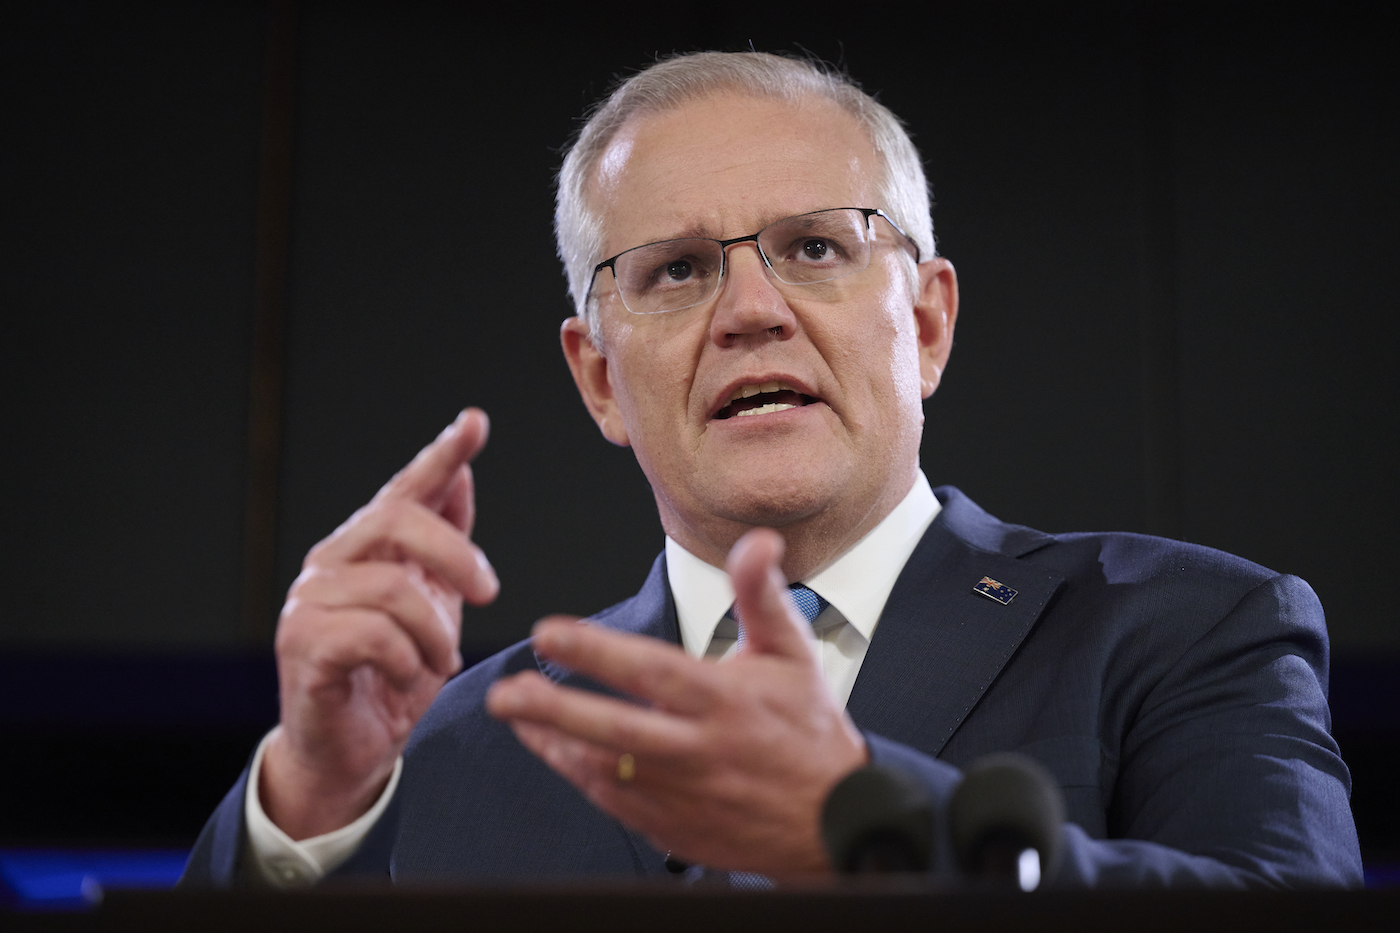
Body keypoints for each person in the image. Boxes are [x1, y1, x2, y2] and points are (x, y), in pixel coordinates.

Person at [182, 51, 1362, 889]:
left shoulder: (1184, 628)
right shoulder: (466, 738)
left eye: (813, 247)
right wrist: (312, 801)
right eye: (678, 270)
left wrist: (867, 835)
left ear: (929, 322)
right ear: (598, 378)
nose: (751, 310)